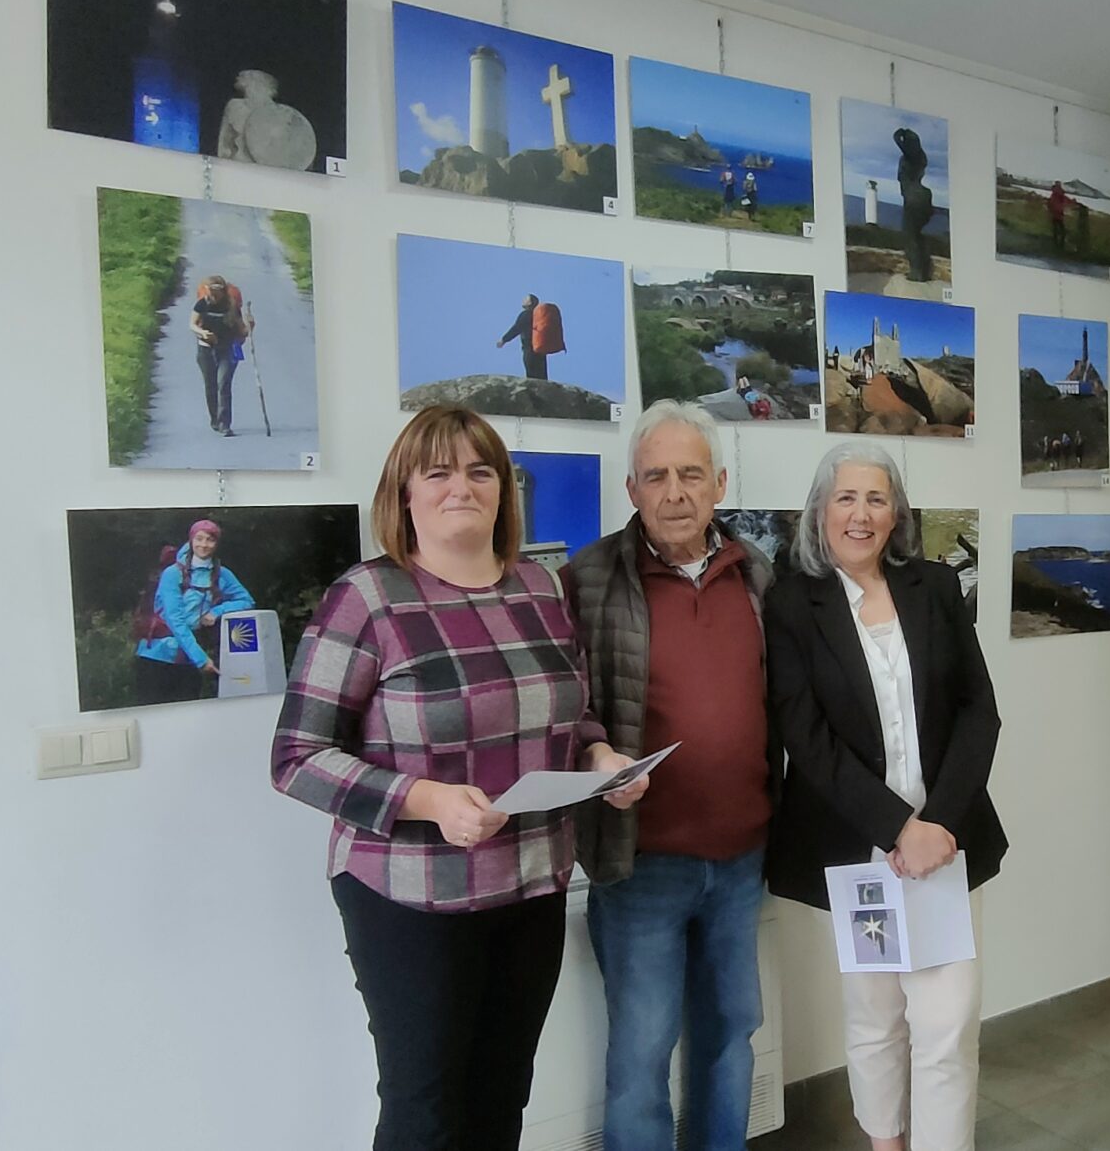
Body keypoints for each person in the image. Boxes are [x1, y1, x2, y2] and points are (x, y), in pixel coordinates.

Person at [270, 405, 649, 1151]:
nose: (461, 487)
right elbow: (297, 757)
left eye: (480, 471)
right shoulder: (368, 599)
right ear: (403, 493)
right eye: (437, 472)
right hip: (410, 896)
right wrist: (424, 797)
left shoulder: (540, 588)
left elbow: (572, 717)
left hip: (531, 884)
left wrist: (602, 761)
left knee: (503, 1091)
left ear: (504, 490)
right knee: (426, 1105)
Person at [765, 443, 1006, 1151]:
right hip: (859, 849)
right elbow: (805, 738)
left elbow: (978, 711)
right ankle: (886, 1143)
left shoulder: (933, 586)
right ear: (820, 510)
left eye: (876, 498)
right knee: (874, 1016)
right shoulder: (789, 604)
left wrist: (937, 823)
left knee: (948, 1021)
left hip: (946, 845)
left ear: (896, 511)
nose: (861, 513)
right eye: (845, 497)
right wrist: (899, 826)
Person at [563, 401, 782, 1151]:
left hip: (742, 858)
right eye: (656, 475)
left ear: (719, 482)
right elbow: (563, 708)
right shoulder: (587, 578)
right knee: (641, 1055)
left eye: (691, 473)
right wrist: (596, 755)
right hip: (640, 864)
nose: (675, 491)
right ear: (632, 488)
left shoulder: (759, 572)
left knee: (730, 1038)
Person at [135, 518, 254, 704]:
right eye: (199, 539)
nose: (204, 545)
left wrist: (217, 611)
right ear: (191, 540)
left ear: (216, 543)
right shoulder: (173, 574)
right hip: (157, 657)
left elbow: (246, 600)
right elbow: (175, 620)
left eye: (210, 540)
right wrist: (201, 659)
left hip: (188, 659)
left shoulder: (222, 574)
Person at [192, 275, 253, 435]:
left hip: (227, 349)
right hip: (205, 349)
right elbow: (192, 324)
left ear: (223, 291)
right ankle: (215, 420)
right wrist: (202, 332)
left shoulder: (231, 307)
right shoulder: (202, 304)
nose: (212, 295)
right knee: (211, 385)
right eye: (210, 291)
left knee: (223, 384)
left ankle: (225, 424)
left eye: (215, 291)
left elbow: (242, 331)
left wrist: (250, 326)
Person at [893, 126, 936, 283]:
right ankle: (923, 270)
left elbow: (899, 140)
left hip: (914, 198)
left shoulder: (913, 156)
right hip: (920, 197)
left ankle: (917, 272)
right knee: (916, 235)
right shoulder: (920, 158)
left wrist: (900, 135)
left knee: (910, 236)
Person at [496, 294, 556, 381]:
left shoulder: (526, 314)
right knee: (541, 376)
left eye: (525, 299)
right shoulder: (538, 317)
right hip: (540, 349)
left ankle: (533, 392)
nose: (523, 300)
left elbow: (517, 328)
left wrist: (504, 339)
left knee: (532, 375)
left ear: (530, 302)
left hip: (530, 348)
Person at [1045, 181, 1071, 253]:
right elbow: (1064, 201)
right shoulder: (1059, 194)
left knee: (1057, 231)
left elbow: (1051, 204)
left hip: (1056, 215)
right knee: (1060, 231)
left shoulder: (1055, 195)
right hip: (1058, 215)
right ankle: (1059, 246)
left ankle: (1057, 246)